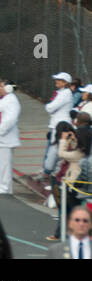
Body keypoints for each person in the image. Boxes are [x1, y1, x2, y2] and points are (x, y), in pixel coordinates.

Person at [44, 72, 76, 202]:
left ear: (65, 82)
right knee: (53, 155)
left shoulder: (65, 94)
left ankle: (53, 182)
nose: (56, 81)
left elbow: (50, 108)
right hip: (55, 126)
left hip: (60, 128)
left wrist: (49, 106)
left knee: (55, 155)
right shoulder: (61, 93)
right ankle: (52, 181)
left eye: (59, 80)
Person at [0, 79, 22, 195]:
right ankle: (0, 184)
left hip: (4, 138)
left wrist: (0, 131)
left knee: (4, 163)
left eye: (1, 86)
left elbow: (11, 119)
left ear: (8, 88)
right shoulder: (4, 99)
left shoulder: (12, 101)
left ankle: (5, 187)